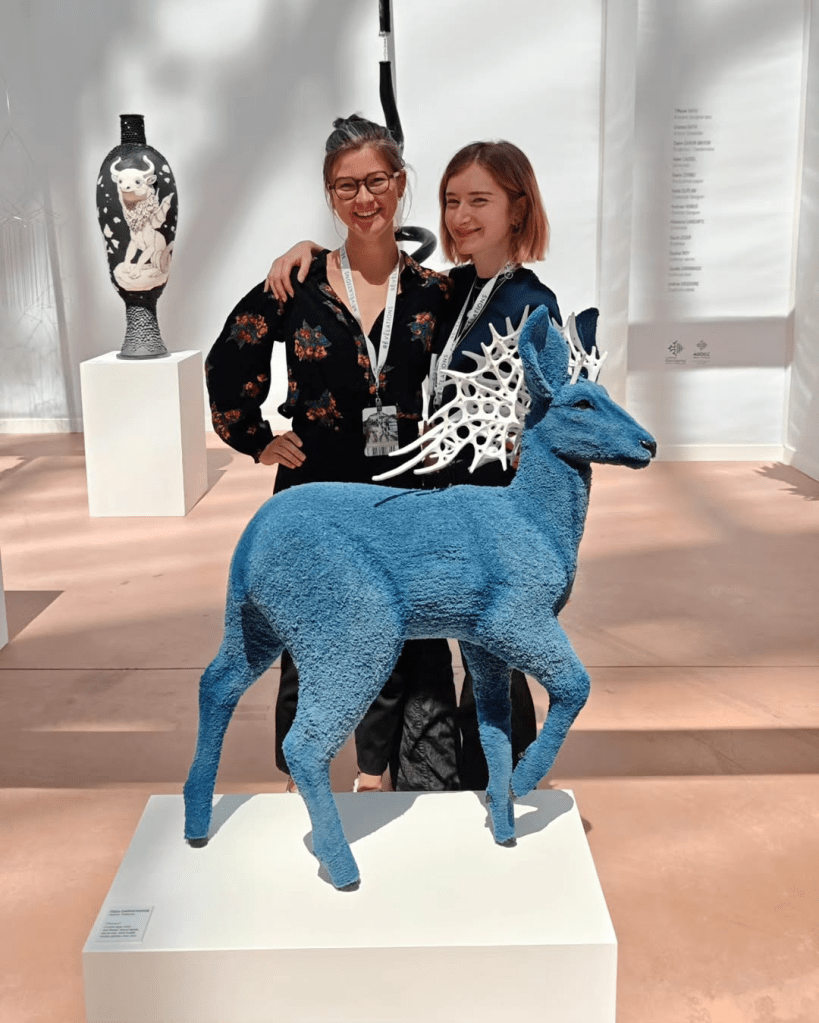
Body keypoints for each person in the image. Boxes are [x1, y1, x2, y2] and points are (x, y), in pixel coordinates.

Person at [266, 139, 561, 790]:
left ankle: (504, 792)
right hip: (432, 507)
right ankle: (432, 781)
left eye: (479, 200)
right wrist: (309, 251)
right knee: (430, 652)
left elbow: (550, 413)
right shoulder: (458, 288)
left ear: (517, 208)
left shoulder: (530, 303)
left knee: (492, 660)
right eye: (452, 201)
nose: (460, 216)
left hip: (488, 517)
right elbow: (377, 277)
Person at [206, 114, 458, 793]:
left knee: (388, 632)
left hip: (398, 490)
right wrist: (256, 438)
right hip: (313, 491)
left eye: (376, 181)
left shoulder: (435, 291)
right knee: (306, 633)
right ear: (329, 194)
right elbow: (230, 355)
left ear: (399, 183)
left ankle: (373, 770)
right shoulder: (298, 283)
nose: (363, 198)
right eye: (346, 186)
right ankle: (301, 770)